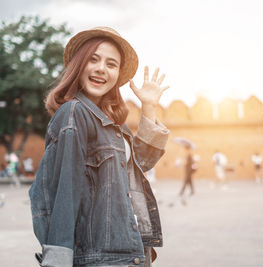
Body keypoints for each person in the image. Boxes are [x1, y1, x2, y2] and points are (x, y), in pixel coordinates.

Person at [29, 26, 170, 267]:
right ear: (79, 65)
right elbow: (63, 194)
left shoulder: (112, 123)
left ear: (117, 75)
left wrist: (148, 107)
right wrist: (58, 261)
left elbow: (141, 165)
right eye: (93, 59)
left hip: (130, 252)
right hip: (100, 260)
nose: (101, 69)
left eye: (111, 64)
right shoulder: (74, 113)